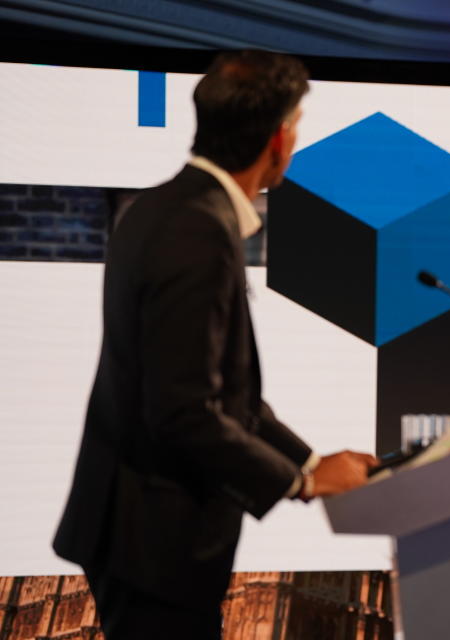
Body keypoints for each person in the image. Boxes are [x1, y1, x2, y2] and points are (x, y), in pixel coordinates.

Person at [52, 50, 377, 639]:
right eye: (297, 129)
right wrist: (302, 482)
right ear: (278, 140)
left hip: (139, 530)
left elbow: (227, 395)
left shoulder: (166, 207)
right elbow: (184, 411)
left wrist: (309, 463)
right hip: (152, 538)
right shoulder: (195, 230)